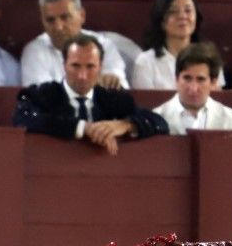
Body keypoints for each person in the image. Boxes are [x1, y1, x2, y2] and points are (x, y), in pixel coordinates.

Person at [11, 32, 169, 155]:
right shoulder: (42, 95)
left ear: (100, 67)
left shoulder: (113, 99)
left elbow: (159, 123)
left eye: (90, 66)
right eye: (75, 66)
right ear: (64, 65)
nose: (82, 75)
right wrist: (82, 128)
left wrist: (124, 125)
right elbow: (23, 118)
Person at [20, 0, 132, 89]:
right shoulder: (34, 51)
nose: (58, 27)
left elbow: (118, 87)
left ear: (82, 16)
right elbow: (41, 98)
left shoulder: (104, 45)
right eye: (50, 20)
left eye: (65, 17)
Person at [155, 42, 232, 133]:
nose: (193, 88)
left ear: (213, 82)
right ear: (177, 79)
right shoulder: (156, 119)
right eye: (187, 78)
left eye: (200, 79)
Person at [131, 0, 211, 90]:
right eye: (173, 11)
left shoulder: (209, 58)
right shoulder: (145, 61)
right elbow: (144, 103)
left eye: (188, 10)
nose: (182, 16)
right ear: (162, 21)